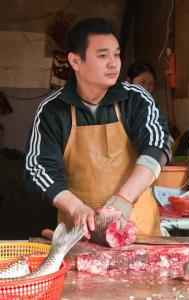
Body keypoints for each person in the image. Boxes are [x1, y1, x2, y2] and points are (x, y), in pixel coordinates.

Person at [23, 17, 171, 238]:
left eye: (117, 54)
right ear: (75, 61)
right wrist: (75, 207)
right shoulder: (52, 111)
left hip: (138, 230)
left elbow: (157, 146)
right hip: (80, 234)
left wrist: (123, 200)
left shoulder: (135, 99)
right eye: (103, 55)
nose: (114, 63)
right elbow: (38, 168)